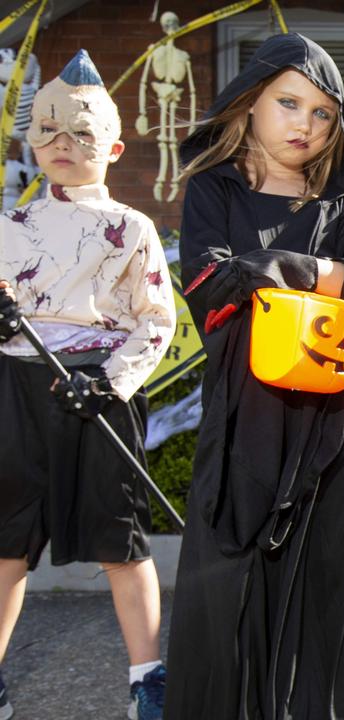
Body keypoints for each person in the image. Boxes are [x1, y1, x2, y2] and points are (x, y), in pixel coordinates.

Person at [163, 33, 344, 719]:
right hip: (245, 417)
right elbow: (209, 282)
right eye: (290, 104)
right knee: (226, 583)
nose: (306, 125)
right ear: (250, 103)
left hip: (326, 425)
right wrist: (323, 277)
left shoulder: (342, 210)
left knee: (321, 590)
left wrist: (286, 272)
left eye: (323, 113)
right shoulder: (214, 189)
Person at [0, 50, 176, 720]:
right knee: (5, 543)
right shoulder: (6, 228)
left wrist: (109, 381)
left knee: (122, 540)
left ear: (113, 145)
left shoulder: (133, 229)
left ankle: (147, 678)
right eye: (46, 132)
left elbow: (156, 322)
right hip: (18, 389)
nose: (61, 146)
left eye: (79, 134)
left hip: (99, 396)